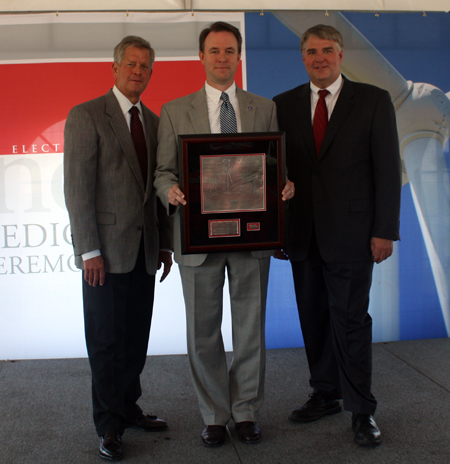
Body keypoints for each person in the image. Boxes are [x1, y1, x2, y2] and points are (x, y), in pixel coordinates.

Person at [154, 21, 293, 447]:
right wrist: (170, 190)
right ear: (201, 56)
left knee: (250, 328)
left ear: (238, 56)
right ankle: (214, 414)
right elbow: (163, 172)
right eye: (214, 51)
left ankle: (246, 411)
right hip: (197, 239)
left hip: (251, 238)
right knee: (202, 331)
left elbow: (273, 167)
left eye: (229, 51)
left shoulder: (262, 107)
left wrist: (284, 186)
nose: (222, 58)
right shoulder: (176, 110)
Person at [273, 24, 401, 446]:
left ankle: (362, 410)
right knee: (313, 320)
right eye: (311, 51)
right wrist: (276, 230)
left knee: (350, 323)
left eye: (328, 50)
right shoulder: (284, 104)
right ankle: (325, 393)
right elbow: (275, 173)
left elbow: (386, 170)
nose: (320, 57)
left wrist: (385, 231)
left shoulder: (373, 100)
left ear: (341, 55)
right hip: (302, 235)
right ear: (303, 57)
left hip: (354, 235)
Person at [64, 35, 173, 461]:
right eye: (130, 64)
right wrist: (88, 250)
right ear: (114, 68)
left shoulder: (155, 120)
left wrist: (162, 244)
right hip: (104, 255)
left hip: (145, 251)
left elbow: (157, 188)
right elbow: (77, 189)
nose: (138, 72)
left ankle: (129, 409)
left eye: (145, 66)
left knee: (134, 339)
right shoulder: (87, 115)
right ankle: (108, 425)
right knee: (106, 342)